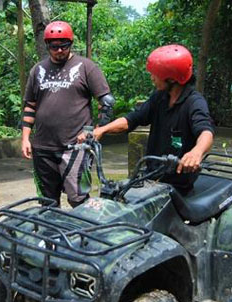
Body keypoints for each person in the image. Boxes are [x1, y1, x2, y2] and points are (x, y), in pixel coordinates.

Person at [84, 44, 215, 193]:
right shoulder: (160, 97)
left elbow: (205, 131)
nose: (152, 77)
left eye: (156, 74)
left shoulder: (194, 102)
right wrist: (102, 130)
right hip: (150, 178)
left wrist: (197, 152)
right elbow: (132, 119)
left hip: (177, 186)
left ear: (171, 78)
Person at [21, 21, 114, 207]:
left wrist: (92, 131)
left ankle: (82, 235)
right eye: (54, 47)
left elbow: (107, 102)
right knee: (47, 202)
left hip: (75, 147)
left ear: (71, 43)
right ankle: (52, 236)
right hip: (43, 147)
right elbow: (30, 106)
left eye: (64, 45)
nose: (60, 50)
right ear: (47, 45)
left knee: (78, 199)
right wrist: (25, 138)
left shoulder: (86, 67)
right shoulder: (37, 70)